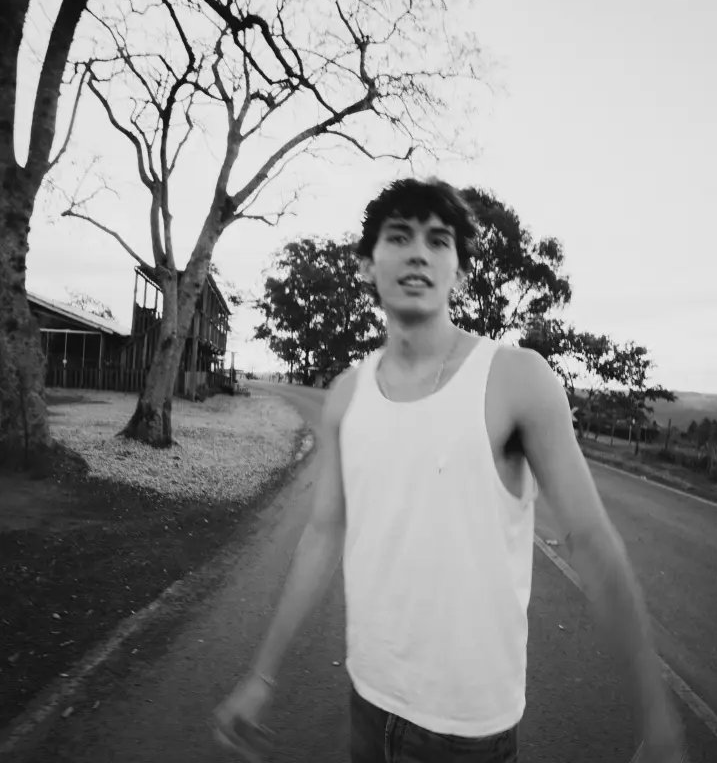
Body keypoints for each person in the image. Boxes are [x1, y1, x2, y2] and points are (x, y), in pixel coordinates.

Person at [213, 178, 687, 762]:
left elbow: (590, 540)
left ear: (458, 272)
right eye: (399, 236)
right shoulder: (346, 394)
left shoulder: (516, 378)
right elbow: (323, 532)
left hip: (468, 733)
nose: (419, 252)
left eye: (438, 241)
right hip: (368, 701)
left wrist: (656, 716)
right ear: (367, 264)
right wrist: (260, 676)